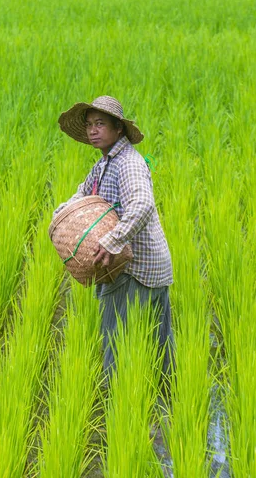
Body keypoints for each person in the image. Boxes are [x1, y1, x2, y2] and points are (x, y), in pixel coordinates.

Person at [54, 95, 174, 387]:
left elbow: (142, 204)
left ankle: (119, 404)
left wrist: (112, 241)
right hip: (146, 265)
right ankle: (165, 398)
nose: (93, 130)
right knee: (157, 345)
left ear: (118, 128)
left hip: (134, 267)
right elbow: (83, 193)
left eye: (100, 124)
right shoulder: (105, 163)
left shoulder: (128, 163)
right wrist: (59, 214)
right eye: (90, 125)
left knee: (117, 342)